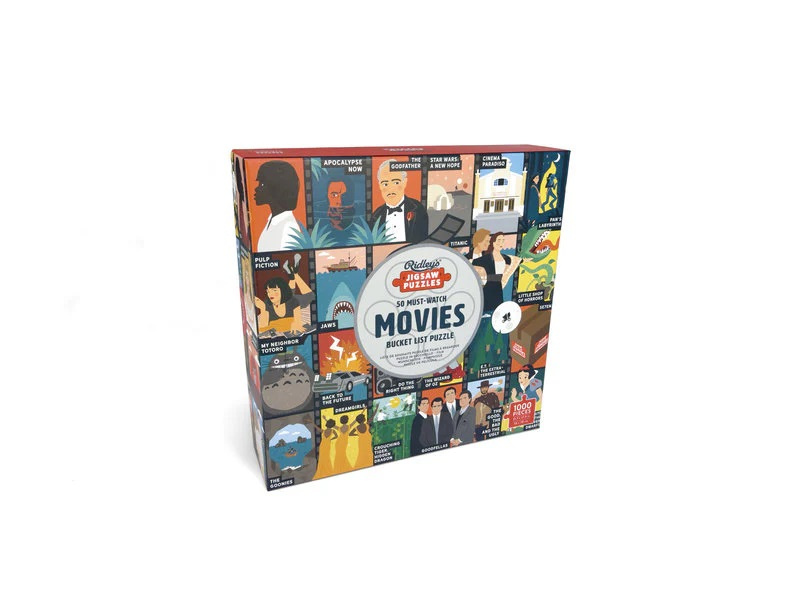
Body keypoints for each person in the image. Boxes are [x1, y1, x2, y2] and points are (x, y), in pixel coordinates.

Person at [371, 159, 428, 243]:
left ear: (404, 182)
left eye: (396, 183)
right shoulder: (375, 216)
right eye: (385, 184)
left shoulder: (418, 209)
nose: (390, 188)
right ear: (380, 186)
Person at [254, 160, 302, 252]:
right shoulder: (273, 220)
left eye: (262, 184)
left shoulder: (288, 229)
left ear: (277, 188)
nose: (256, 188)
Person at [471, 232, 513, 314]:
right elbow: (472, 261)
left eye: (503, 240)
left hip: (498, 289)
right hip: (488, 289)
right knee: (485, 311)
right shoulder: (485, 258)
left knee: (497, 311)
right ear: (493, 242)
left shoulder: (507, 259)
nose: (501, 242)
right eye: (499, 240)